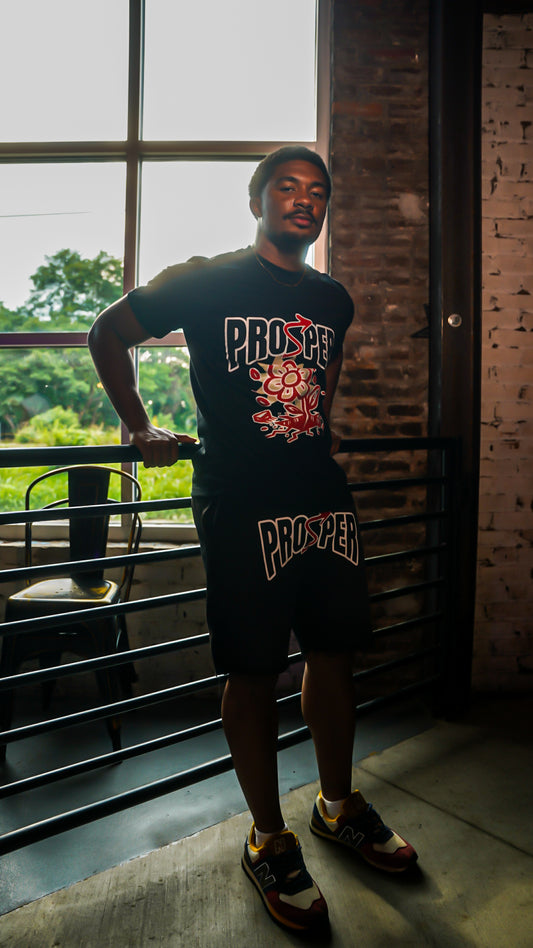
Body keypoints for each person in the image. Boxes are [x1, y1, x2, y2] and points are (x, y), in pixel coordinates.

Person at [88, 146, 417, 936]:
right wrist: (138, 425)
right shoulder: (205, 280)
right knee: (253, 665)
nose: (304, 200)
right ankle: (268, 838)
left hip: (318, 495)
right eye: (287, 187)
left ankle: (336, 806)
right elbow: (107, 332)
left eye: (317, 191)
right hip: (237, 497)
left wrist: (309, 436)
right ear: (256, 200)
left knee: (333, 651)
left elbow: (319, 385)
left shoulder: (332, 299)